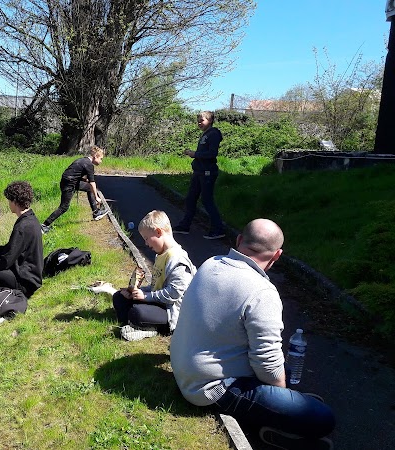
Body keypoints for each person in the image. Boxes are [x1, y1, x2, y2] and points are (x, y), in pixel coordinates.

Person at [170, 219, 335, 448]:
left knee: (285, 372)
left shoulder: (211, 263)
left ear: (239, 240)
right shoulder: (262, 292)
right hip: (210, 388)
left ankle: (280, 409)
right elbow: (267, 364)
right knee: (323, 418)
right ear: (277, 255)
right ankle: (274, 429)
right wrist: (281, 400)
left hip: (186, 368)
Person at [112, 210, 196, 341]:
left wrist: (146, 297)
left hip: (171, 311)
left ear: (158, 232)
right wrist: (135, 291)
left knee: (136, 312)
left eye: (146, 238)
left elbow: (174, 293)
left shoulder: (178, 259)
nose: (146, 243)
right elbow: (156, 286)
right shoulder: (160, 255)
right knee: (119, 297)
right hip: (158, 302)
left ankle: (151, 328)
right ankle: (138, 325)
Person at [172, 111, 225, 239]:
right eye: (198, 121)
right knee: (190, 198)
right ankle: (185, 226)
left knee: (207, 200)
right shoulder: (205, 134)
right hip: (199, 172)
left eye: (202, 120)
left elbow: (212, 154)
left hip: (207, 172)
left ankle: (218, 229)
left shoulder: (213, 134)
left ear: (210, 120)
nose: (199, 123)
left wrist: (194, 154)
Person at [41, 145, 107, 233]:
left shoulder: (83, 160)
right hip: (69, 184)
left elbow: (74, 173)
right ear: (95, 156)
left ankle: (96, 213)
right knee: (64, 207)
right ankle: (44, 226)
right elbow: (92, 182)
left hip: (69, 182)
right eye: (101, 159)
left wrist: (84, 180)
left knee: (88, 188)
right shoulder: (89, 164)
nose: (101, 161)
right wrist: (97, 197)